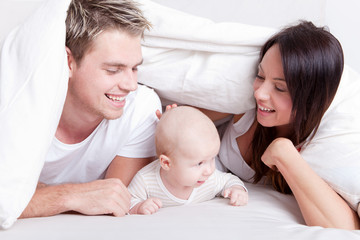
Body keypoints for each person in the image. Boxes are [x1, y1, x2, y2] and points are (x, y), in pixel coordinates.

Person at [202, 21, 359, 230]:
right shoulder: (244, 106)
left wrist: (284, 153)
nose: (259, 93)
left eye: (279, 87)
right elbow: (182, 117)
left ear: (311, 98)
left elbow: (345, 228)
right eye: (260, 76)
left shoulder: (321, 147)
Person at [20, 0, 161, 218]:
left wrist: (39, 194)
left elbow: (114, 201)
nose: (131, 85)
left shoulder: (141, 109)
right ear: (68, 61)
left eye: (134, 68)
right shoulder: (20, 109)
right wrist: (70, 196)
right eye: (114, 70)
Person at [128, 106, 248, 215]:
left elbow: (230, 180)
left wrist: (237, 189)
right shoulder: (146, 181)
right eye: (199, 163)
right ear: (166, 163)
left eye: (212, 159)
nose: (210, 170)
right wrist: (139, 206)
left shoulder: (209, 179)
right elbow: (129, 200)